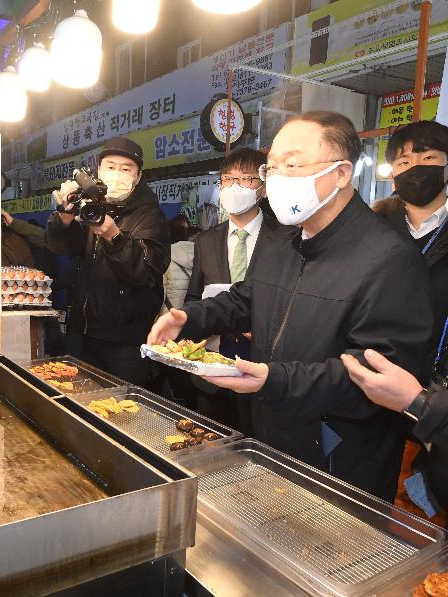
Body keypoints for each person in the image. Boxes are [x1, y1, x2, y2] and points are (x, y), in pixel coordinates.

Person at [148, 112, 433, 500]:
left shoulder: (388, 259)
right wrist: (188, 317)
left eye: (293, 165)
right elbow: (248, 297)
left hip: (339, 457)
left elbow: (374, 375)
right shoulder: (283, 241)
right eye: (273, 167)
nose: (278, 178)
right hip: (274, 431)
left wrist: (274, 379)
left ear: (341, 173)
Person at [341, 122, 448, 544]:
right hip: (419, 417)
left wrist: (421, 402)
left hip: (436, 413)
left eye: (429, 159)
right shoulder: (371, 227)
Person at [371, 121, 448, 521]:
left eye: (428, 158)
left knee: (431, 515)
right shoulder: (372, 224)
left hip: (443, 388)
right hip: (376, 382)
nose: (416, 167)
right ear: (392, 170)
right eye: (405, 159)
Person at [181, 148, 292, 429]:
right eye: (227, 179)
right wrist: (189, 327)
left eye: (245, 179)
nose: (234, 186)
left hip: (263, 369)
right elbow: (194, 296)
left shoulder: (286, 239)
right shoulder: (206, 240)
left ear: (263, 187)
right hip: (212, 368)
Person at [49, 137, 170, 388]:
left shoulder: (150, 215)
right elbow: (67, 249)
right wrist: (64, 218)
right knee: (81, 403)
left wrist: (114, 236)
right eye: (110, 167)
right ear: (99, 171)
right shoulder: (92, 204)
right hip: (83, 332)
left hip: (126, 341)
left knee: (123, 412)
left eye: (126, 169)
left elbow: (143, 273)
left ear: (138, 176)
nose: (117, 174)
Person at [163, 214, 194, 310]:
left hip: (170, 315)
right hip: (193, 314)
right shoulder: (200, 251)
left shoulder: (165, 256)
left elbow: (161, 292)